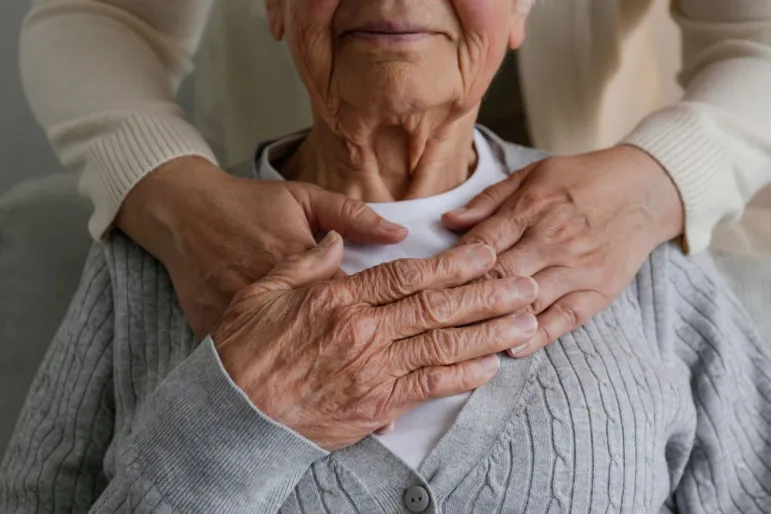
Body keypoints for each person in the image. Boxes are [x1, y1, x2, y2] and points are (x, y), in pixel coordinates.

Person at [3, 1, 770, 511]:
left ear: (518, 9)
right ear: (274, 5)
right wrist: (233, 419)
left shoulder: (639, 258)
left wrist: (660, 182)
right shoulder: (160, 254)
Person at [20, 0, 771, 354]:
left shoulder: (665, 300)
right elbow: (100, 10)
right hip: (258, 211)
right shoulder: (139, 284)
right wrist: (173, 193)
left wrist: (656, 180)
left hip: (597, 210)